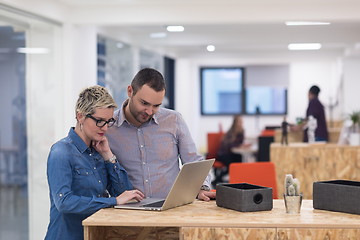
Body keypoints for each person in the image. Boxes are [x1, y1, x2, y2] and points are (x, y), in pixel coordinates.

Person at [45, 86, 144, 240]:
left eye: (108, 121)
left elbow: (125, 194)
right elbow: (64, 202)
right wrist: (113, 201)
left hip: (95, 234)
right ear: (80, 116)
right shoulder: (61, 152)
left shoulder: (99, 150)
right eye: (99, 121)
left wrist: (108, 156)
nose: (105, 128)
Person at [106, 68, 215, 201]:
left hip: (171, 206)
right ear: (130, 91)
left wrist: (201, 187)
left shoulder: (174, 120)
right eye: (144, 103)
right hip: (129, 210)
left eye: (156, 105)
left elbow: (194, 162)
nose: (150, 111)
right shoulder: (108, 127)